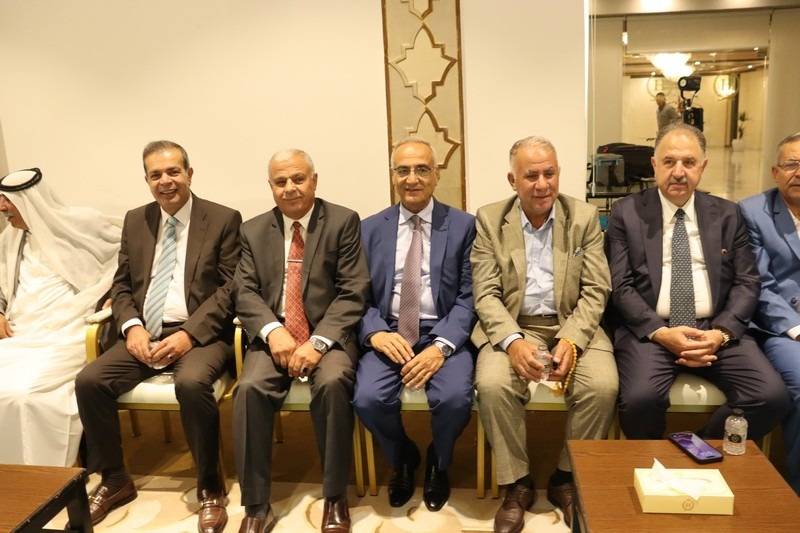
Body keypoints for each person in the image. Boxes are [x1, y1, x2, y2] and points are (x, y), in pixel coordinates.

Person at [74, 141, 242, 532]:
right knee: (89, 381)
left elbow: (230, 289)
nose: (165, 181)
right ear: (147, 180)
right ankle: (115, 478)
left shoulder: (222, 219)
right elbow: (121, 284)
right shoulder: (136, 220)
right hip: (145, 332)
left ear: (189, 174)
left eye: (173, 172)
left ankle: (210, 487)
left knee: (192, 383)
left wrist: (188, 334)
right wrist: (131, 326)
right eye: (156, 175)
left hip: (201, 334)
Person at [606, 123, 789, 445]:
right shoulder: (626, 212)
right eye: (669, 162)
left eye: (689, 162)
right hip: (652, 331)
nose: (678, 172)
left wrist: (720, 333)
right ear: (654, 165)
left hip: (715, 328)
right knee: (639, 400)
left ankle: (696, 449)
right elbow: (620, 285)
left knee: (770, 397)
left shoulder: (728, 214)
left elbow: (747, 281)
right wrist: (661, 332)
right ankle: (654, 462)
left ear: (703, 167)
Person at [472, 136, 618, 532]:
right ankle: (517, 483)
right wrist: (512, 341)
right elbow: (485, 294)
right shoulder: (490, 220)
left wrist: (572, 339)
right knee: (493, 384)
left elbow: (596, 289)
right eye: (531, 176)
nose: (542, 184)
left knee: (602, 386)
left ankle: (566, 477)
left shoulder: (584, 217)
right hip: (515, 324)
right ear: (512, 180)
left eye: (549, 173)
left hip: (573, 321)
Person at [232, 149, 369, 533]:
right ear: (271, 186)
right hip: (274, 335)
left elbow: (353, 291)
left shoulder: (342, 221)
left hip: (328, 335)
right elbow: (244, 291)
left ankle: (335, 497)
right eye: (281, 182)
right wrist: (273, 331)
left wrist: (318, 342)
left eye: (298, 179)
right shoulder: (253, 230)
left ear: (314, 180)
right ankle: (256, 505)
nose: (290, 188)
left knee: (333, 383)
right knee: (249, 389)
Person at [353, 138, 476, 511]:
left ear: (437, 174)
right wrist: (375, 332)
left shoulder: (464, 226)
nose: (412, 179)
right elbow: (356, 295)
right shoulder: (369, 228)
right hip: (390, 330)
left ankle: (439, 460)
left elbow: (470, 297)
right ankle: (403, 456)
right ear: (392, 176)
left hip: (442, 331)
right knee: (368, 398)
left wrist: (441, 346)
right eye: (403, 170)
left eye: (422, 169)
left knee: (454, 399)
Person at [0, 168, 121, 466]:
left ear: (30, 201)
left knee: (23, 394)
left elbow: (127, 256)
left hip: (70, 332)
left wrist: (116, 293)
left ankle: (43, 478)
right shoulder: (10, 239)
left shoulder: (81, 223)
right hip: (21, 332)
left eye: (7, 200)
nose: (2, 207)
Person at [739, 131, 800, 495]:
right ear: (776, 172)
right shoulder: (752, 212)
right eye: (792, 164)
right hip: (780, 329)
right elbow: (758, 285)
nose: (799, 172)